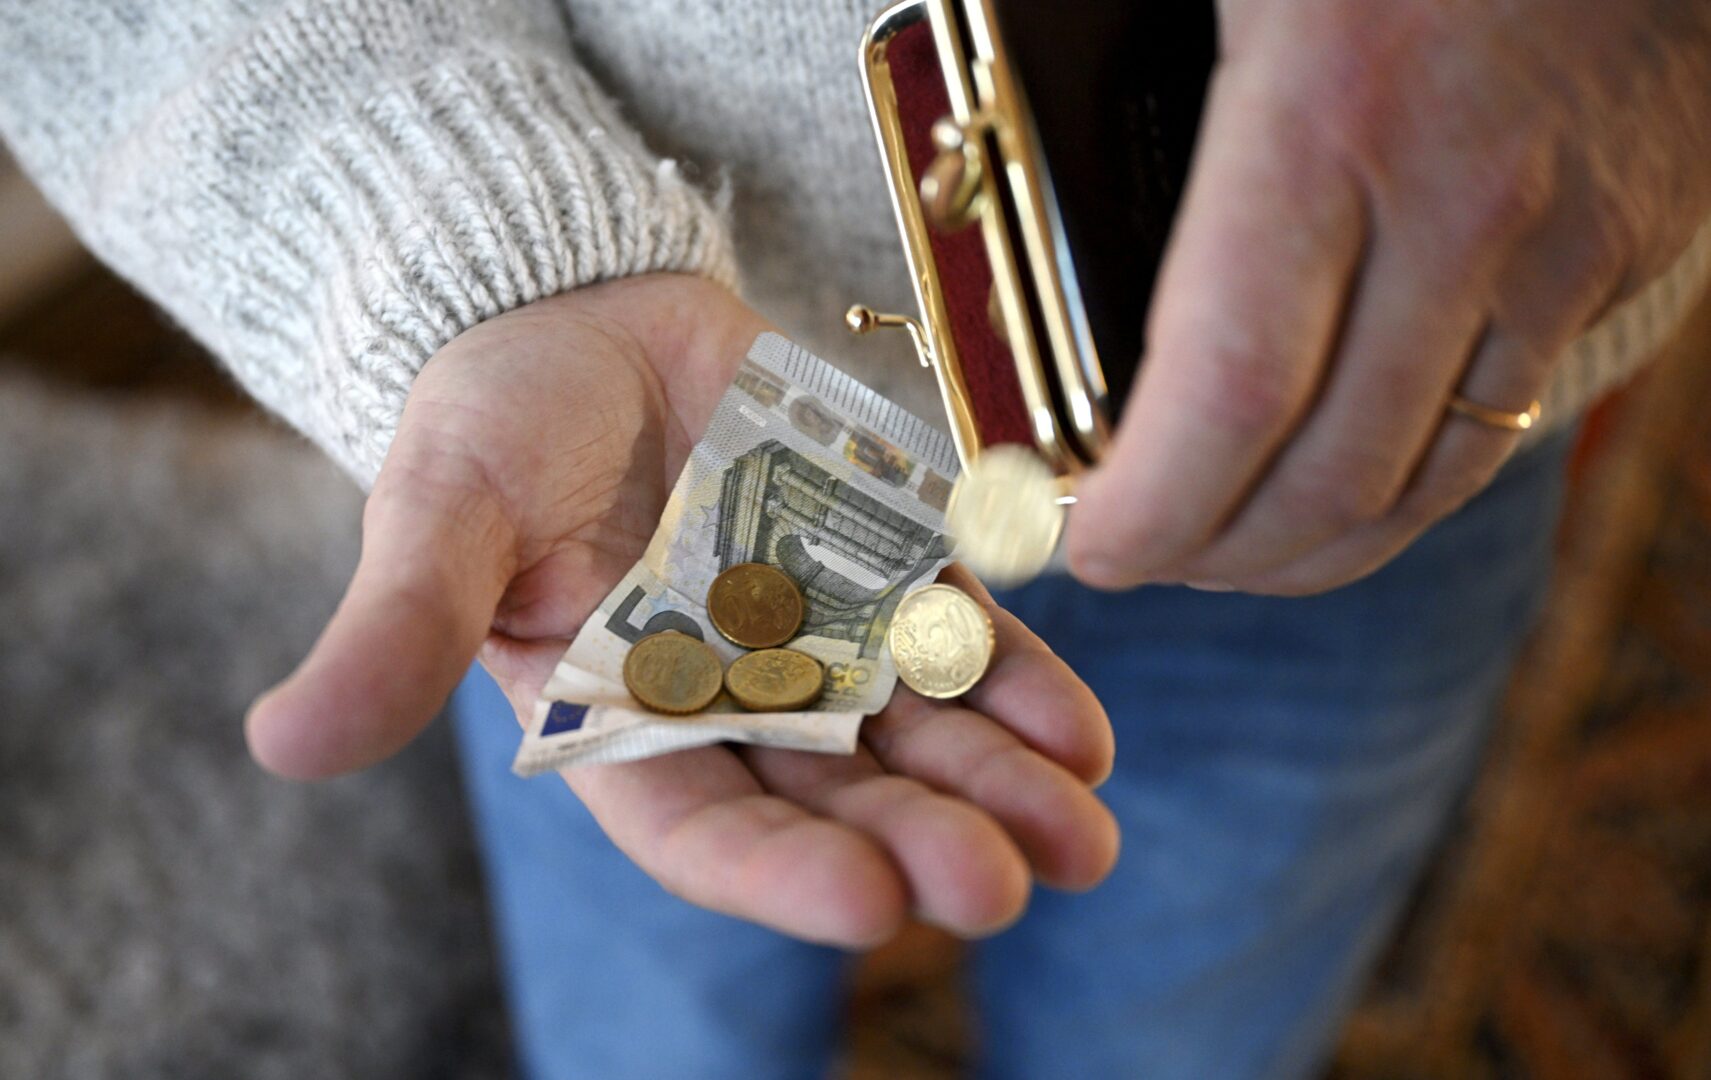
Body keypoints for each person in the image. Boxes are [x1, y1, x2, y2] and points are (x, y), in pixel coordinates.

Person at [4, 1, 1708, 1076]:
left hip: (1401, 423)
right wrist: (465, 247)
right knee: (656, 1027)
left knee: (1201, 1025)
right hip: (664, 454)